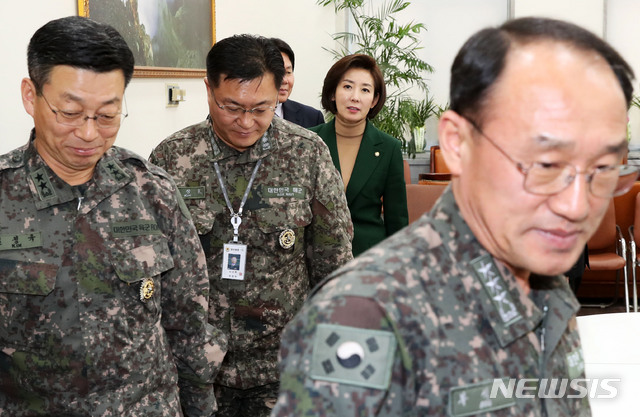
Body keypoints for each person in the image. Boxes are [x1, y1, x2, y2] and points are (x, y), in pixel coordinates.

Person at [272, 17, 639, 416]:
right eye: (546, 164)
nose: (577, 206)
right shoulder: (365, 313)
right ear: (458, 143)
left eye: (603, 168)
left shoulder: (548, 287)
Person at [0, 16, 226, 416]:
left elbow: (189, 326)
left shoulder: (153, 191)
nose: (89, 134)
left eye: (107, 115)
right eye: (70, 112)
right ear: (30, 96)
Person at [149, 34, 353, 417]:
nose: (246, 122)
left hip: (284, 364)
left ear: (280, 94)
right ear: (208, 89)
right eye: (231, 107)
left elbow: (334, 263)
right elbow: (156, 273)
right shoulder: (172, 158)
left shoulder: (307, 154)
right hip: (198, 370)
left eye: (261, 108)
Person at [311, 54, 408, 257]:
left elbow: (397, 219)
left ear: (374, 100)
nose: (355, 97)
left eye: (365, 90)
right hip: (316, 255)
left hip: (368, 258)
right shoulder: (310, 141)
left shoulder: (389, 148)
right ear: (332, 93)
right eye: (347, 86)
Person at [270, 37, 325, 128]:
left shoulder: (312, 118)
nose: (284, 80)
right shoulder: (246, 116)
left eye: (288, 72)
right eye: (277, 72)